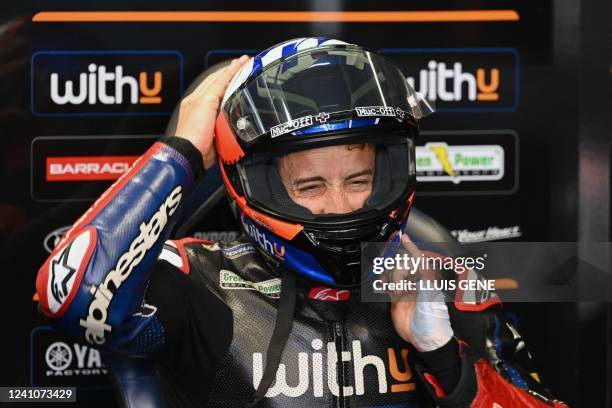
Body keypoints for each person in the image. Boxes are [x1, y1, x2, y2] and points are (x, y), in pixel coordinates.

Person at [36, 38, 566, 407]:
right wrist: (181, 153)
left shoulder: (441, 279)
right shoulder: (196, 282)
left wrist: (445, 360)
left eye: (358, 181)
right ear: (257, 185)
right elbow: (73, 298)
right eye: (310, 186)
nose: (340, 206)